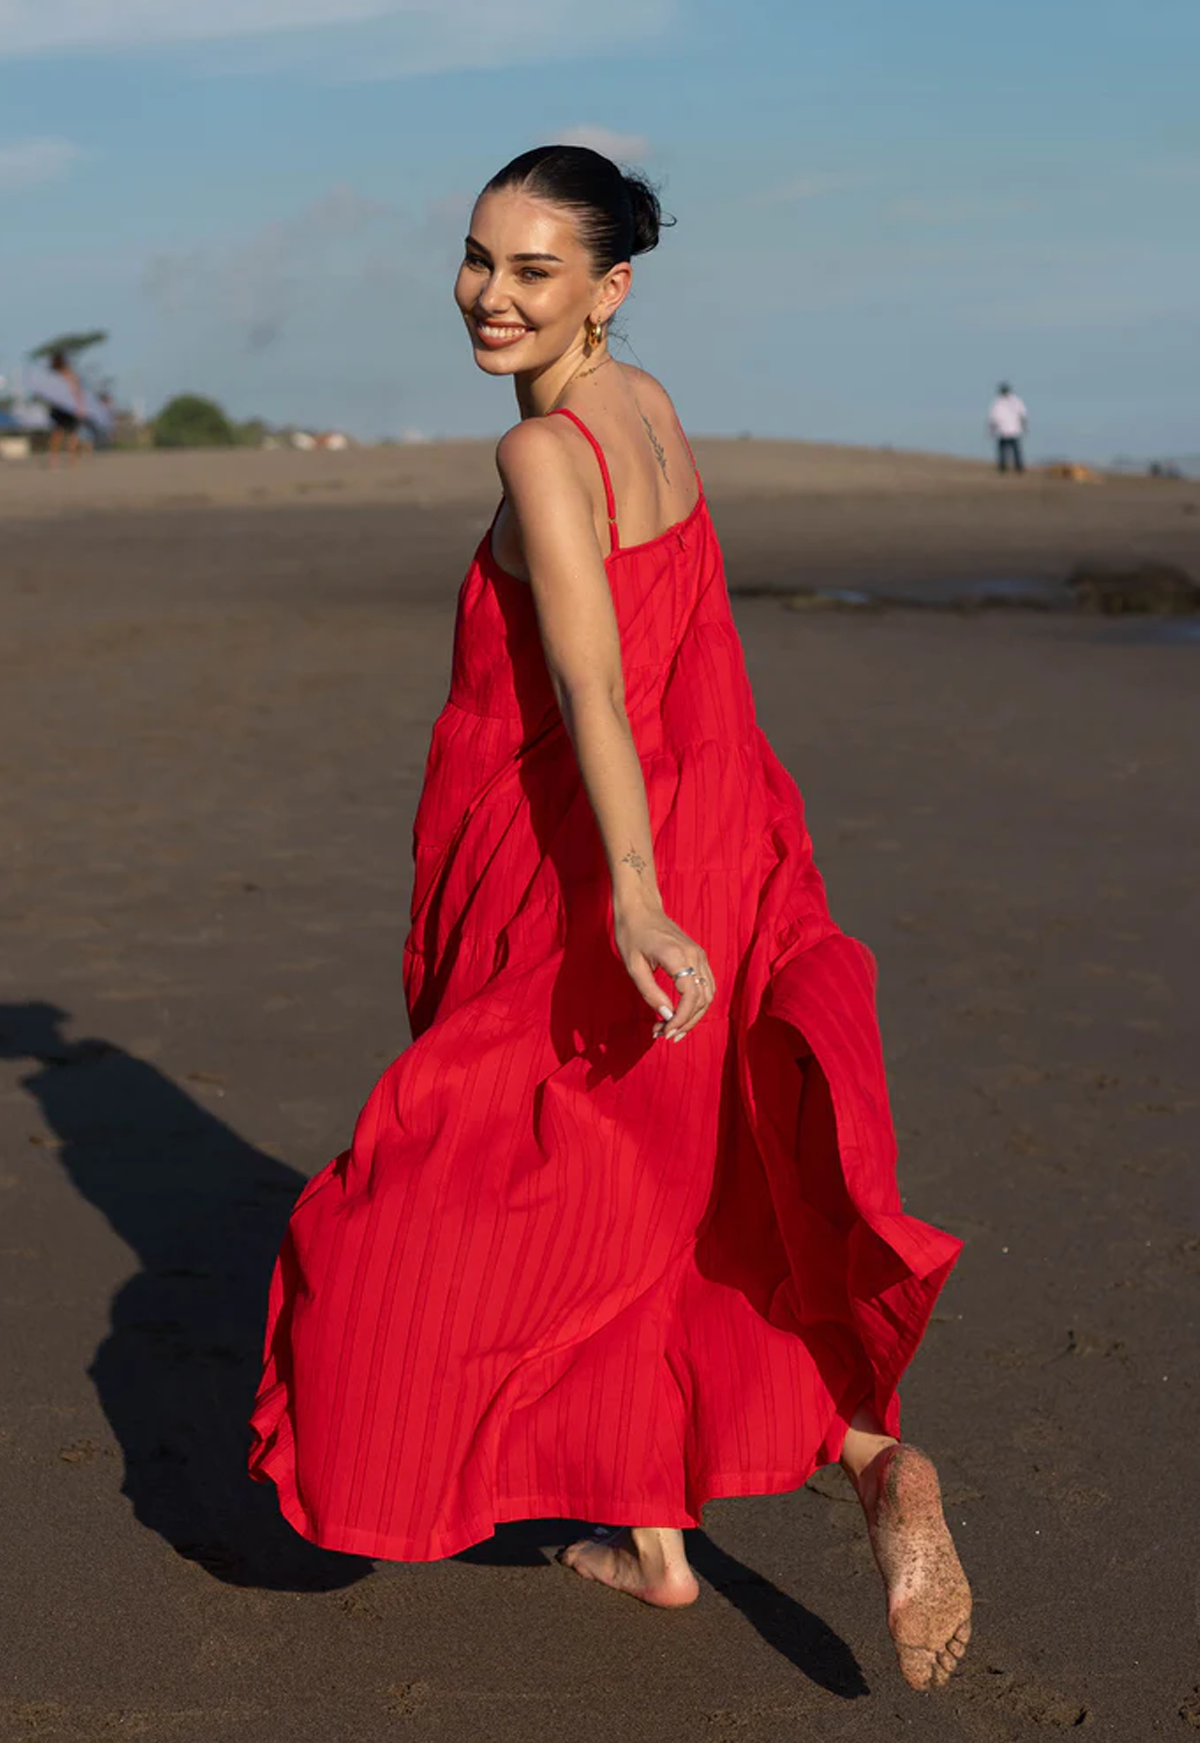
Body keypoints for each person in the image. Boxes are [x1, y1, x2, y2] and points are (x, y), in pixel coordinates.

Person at [249, 145, 972, 1692]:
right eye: (478, 258)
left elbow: (590, 681)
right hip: (716, 828)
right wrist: (696, 871)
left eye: (533, 270)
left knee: (426, 1203)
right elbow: (683, 643)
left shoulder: (542, 453)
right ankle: (689, 1530)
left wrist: (631, 900)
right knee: (659, 1203)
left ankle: (842, 1453)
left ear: (608, 285)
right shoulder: (648, 409)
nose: (489, 295)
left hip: (590, 870)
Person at [45, 350, 85, 464]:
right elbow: (77, 391)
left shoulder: (60, 375)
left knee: (61, 433)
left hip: (65, 407)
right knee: (67, 434)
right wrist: (80, 406)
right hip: (63, 407)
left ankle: (58, 459)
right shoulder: (64, 374)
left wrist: (80, 406)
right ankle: (68, 459)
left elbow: (76, 391)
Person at [989, 381, 1027, 473]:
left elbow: (1022, 414)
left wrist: (1023, 426)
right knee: (1004, 451)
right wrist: (992, 428)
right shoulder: (999, 401)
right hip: (1004, 429)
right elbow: (994, 417)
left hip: (1013, 429)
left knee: (1014, 450)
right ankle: (1004, 467)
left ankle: (1018, 467)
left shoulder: (1013, 401)